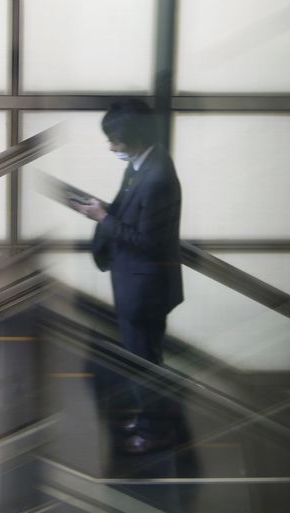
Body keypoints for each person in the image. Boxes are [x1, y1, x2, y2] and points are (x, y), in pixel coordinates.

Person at [71, 98, 183, 454]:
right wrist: (103, 212)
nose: (111, 147)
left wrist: (102, 218)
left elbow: (148, 241)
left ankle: (156, 430)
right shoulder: (145, 163)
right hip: (138, 281)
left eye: (115, 141)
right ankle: (149, 419)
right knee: (143, 357)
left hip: (145, 286)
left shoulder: (156, 177)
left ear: (133, 138)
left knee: (144, 361)